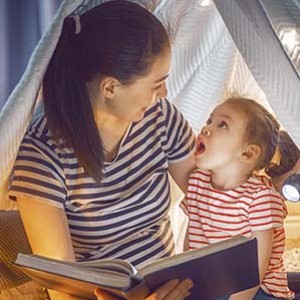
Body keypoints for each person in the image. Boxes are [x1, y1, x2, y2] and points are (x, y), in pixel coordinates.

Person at [8, 1, 195, 299]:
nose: (163, 94)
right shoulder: (42, 156)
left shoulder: (160, 118)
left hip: (174, 287)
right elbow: (61, 290)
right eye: (156, 84)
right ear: (110, 88)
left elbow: (207, 202)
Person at [181, 97, 299, 300]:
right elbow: (192, 237)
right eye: (209, 121)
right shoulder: (197, 181)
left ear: (247, 153)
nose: (206, 129)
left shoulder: (260, 197)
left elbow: (255, 273)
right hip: (210, 283)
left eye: (222, 125)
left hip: (256, 290)